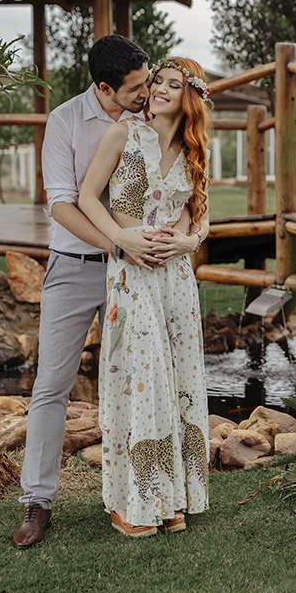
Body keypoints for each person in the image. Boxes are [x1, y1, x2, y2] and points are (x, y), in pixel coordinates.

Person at [11, 36, 197, 549]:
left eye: (151, 82)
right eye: (137, 87)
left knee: (147, 381)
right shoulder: (66, 122)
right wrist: (119, 243)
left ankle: (149, 494)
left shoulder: (149, 122)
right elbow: (64, 204)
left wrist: (174, 238)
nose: (147, 93)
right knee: (52, 383)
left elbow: (180, 188)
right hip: (76, 267)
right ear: (105, 87)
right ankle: (37, 501)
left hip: (141, 276)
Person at [78, 57, 212, 537]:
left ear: (189, 97)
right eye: (159, 81)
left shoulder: (197, 151)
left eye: (173, 85)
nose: (159, 89)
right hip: (132, 274)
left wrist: (188, 243)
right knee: (142, 379)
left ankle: (173, 496)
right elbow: (89, 198)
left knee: (177, 381)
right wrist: (122, 240)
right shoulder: (123, 135)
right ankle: (131, 500)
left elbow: (202, 219)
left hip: (176, 280)